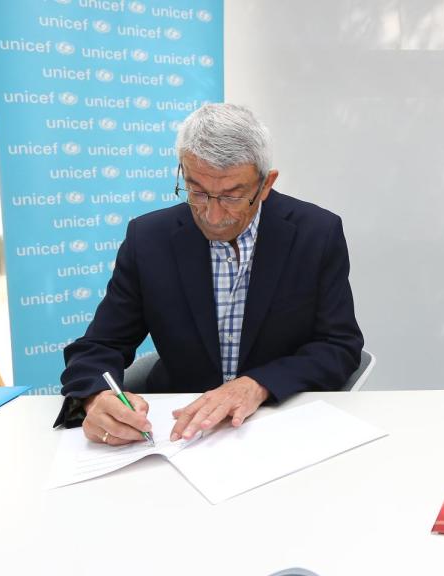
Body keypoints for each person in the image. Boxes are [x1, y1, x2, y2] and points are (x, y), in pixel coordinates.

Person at [55, 103, 364, 444]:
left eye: (232, 197)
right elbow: (100, 345)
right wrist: (95, 398)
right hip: (177, 431)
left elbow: (339, 346)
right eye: (197, 191)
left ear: (265, 184)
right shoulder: (149, 239)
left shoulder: (316, 234)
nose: (212, 217)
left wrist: (257, 384)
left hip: (278, 425)